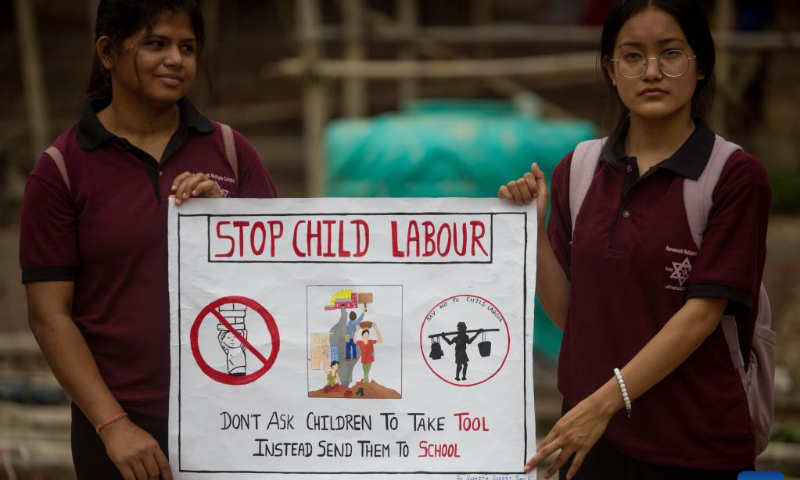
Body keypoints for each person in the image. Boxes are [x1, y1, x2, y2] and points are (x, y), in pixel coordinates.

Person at [499, 1, 770, 479]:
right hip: (590, 448)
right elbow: (570, 316)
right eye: (631, 56)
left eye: (671, 54)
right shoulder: (576, 171)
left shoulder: (734, 177)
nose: (651, 72)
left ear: (701, 65)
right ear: (611, 69)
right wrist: (534, 233)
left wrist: (601, 405)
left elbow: (702, 316)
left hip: (695, 451)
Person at [19, 1, 277, 479]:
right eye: (156, 44)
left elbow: (279, 283)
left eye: (187, 47)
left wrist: (224, 219)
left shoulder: (230, 152)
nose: (176, 60)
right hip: (122, 433)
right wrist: (114, 426)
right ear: (108, 52)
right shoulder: (61, 170)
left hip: (232, 415)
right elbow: (49, 316)